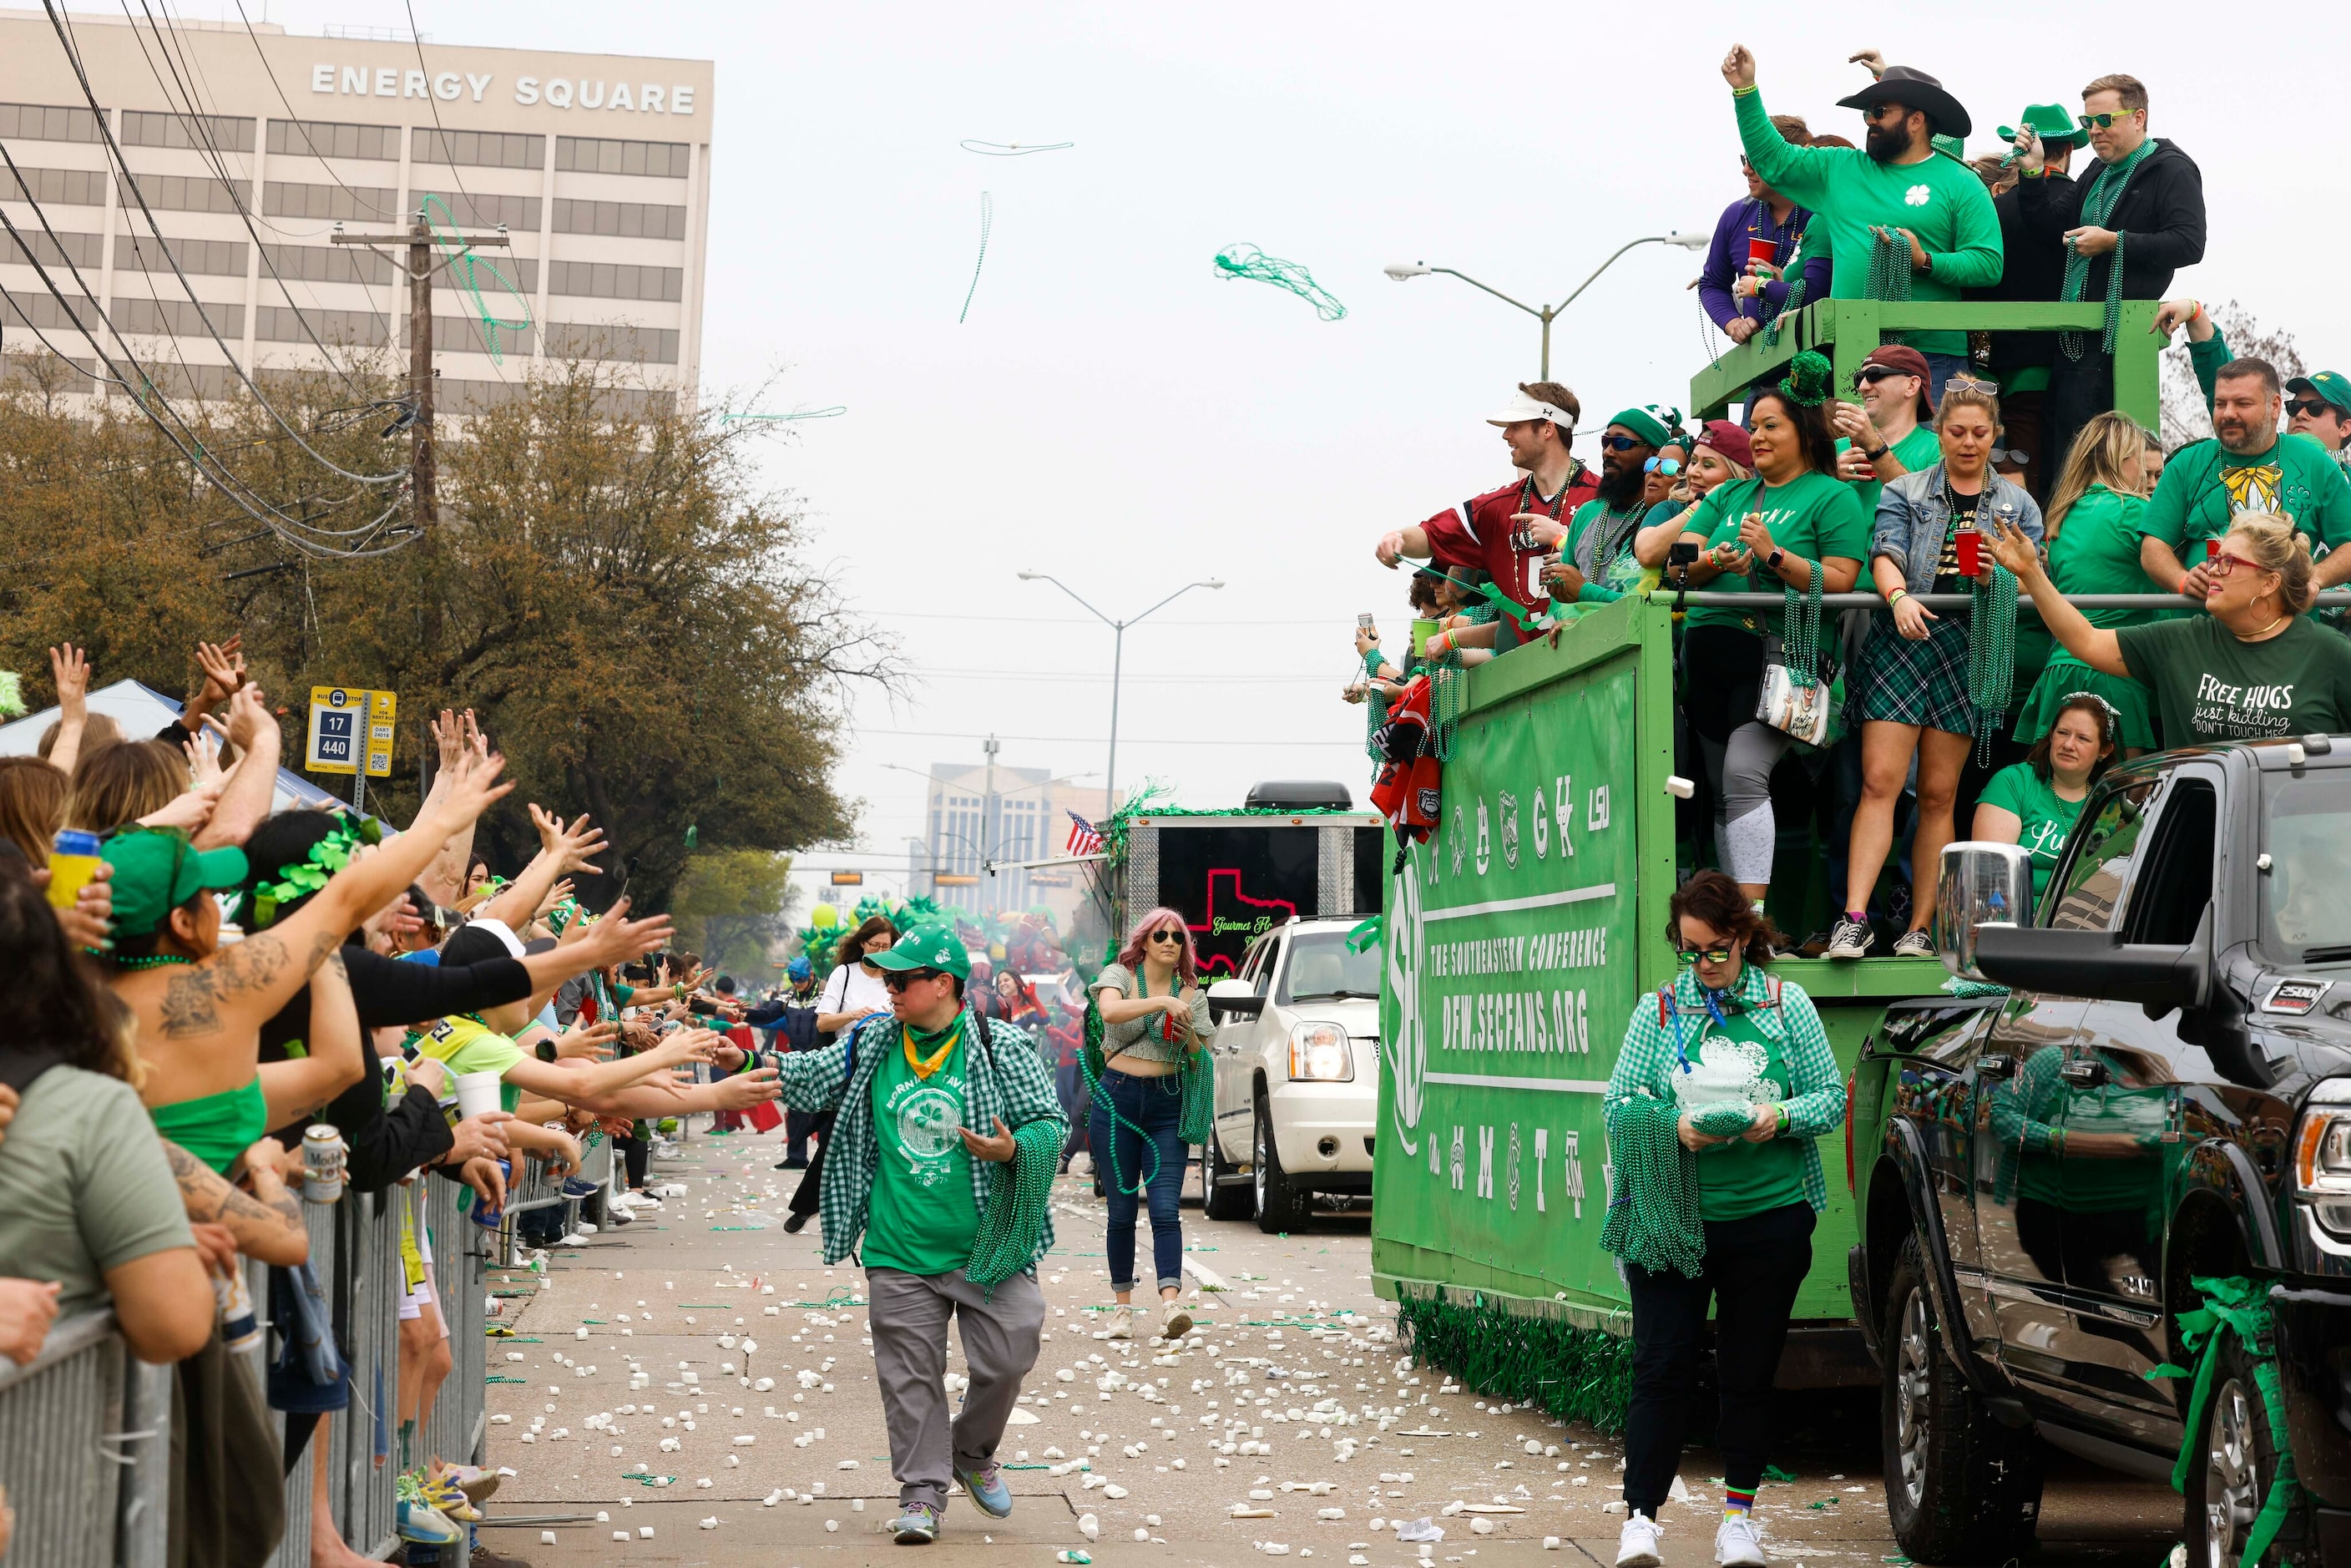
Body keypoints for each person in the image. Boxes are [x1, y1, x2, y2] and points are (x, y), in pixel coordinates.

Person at [766, 923, 1066, 1545]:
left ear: (943, 984)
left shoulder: (1001, 1045)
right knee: (909, 1379)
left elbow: (1051, 1125)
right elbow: (811, 1076)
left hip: (990, 1246)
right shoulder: (874, 1040)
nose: (890, 990)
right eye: (886, 978)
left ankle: (971, 1450)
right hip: (898, 1248)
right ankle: (922, 1492)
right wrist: (744, 1061)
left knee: (1011, 1353)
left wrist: (1015, 1149)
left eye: (902, 980)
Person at [1603, 873, 1844, 1568]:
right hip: (1671, 1223)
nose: (1700, 966)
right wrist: (1673, 1126)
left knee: (1749, 1373)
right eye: (1687, 951)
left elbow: (1830, 1097)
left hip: (1769, 1220)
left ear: (1743, 938)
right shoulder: (1659, 1013)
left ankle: (1738, 1519)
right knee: (1660, 1366)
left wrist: (1783, 1116)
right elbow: (1618, 1108)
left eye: (1712, 951)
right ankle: (1641, 1520)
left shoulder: (1785, 1004)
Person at [1833, 381, 2045, 959]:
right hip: (1906, 631)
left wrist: (1992, 577)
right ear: (1940, 433)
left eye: (1980, 433)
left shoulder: (2017, 504)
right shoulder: (1905, 488)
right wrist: (1898, 597)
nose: (1969, 443)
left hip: (1968, 643)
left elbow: (2032, 579)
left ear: (1995, 435)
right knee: (1879, 783)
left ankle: (1920, 929)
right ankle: (1854, 918)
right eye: (1957, 432)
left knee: (1937, 794)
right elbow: (1885, 551)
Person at [1666, 356, 1868, 902]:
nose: (1756, 436)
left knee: (1741, 773)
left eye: (1769, 426)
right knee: (1722, 789)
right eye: (1753, 426)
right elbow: (1679, 562)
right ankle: (1734, 914)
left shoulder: (1833, 495)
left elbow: (1845, 581)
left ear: (1803, 432)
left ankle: (1749, 919)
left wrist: (1771, 555)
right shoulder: (1731, 495)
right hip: (1711, 659)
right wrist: (1719, 560)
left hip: (1784, 661)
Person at [1722, 45, 2000, 402]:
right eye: (1867, 111)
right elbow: (1772, 160)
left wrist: (1924, 260)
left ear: (1917, 120)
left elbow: (1989, 264)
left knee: (1928, 458)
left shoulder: (1961, 183)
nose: (1869, 119)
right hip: (1855, 352)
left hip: (1933, 355)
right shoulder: (1839, 168)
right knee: (1854, 457)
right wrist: (1745, 90)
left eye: (1880, 111)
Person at [1990, 511, 2351, 749]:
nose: (2212, 570)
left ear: (2269, 582)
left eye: (2228, 563)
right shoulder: (2182, 639)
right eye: (2214, 559)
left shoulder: (2328, 652)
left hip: (2300, 839)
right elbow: (2086, 640)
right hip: (2203, 830)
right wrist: (2032, 574)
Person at [2011, 75, 2207, 499]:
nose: (2094, 130)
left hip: (2120, 340)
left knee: (2111, 465)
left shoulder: (2171, 168)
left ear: (2139, 118)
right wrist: (2030, 176)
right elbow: (2051, 227)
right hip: (2077, 339)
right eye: (2088, 120)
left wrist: (2114, 242)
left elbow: (2190, 243)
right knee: (2065, 461)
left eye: (2104, 119)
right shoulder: (2099, 168)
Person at [1374, 384, 1600, 646]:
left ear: (1548, 428)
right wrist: (1398, 538)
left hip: (1589, 657)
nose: (1506, 435)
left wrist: (1563, 537)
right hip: (1522, 672)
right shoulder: (1497, 505)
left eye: (1517, 426)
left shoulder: (1601, 498)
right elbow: (1430, 535)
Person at [1089, 908, 1212, 1343]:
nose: (1169, 942)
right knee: (1121, 1212)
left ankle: (1171, 1305)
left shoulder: (1193, 993)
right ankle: (1122, 1309)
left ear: (1184, 947)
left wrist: (1188, 1036)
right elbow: (1109, 1012)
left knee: (1165, 1209)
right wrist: (1161, 1002)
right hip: (1116, 1099)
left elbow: (1201, 1056)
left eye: (1177, 937)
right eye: (1160, 935)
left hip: (1167, 1103)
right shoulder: (1119, 975)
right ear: (1144, 940)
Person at [2010, 411, 2166, 755]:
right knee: (2123, 799)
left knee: (2058, 796)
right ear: (2122, 459)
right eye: (2141, 461)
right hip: (2115, 666)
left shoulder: (2063, 514)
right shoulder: (2135, 510)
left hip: (2061, 667)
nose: (2147, 474)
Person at [1962, 104, 2088, 500]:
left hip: (2002, 364)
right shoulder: (2088, 207)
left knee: (2015, 469)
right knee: (2068, 467)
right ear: (2069, 150)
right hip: (2076, 361)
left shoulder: (1992, 212)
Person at [2140, 357, 2351, 594]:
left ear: (2274, 406)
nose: (2228, 413)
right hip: (2200, 624)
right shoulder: (2186, 463)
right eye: (2221, 404)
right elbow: (2153, 548)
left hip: (2289, 625)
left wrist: (2313, 577)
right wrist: (2182, 580)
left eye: (2242, 403)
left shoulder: (2316, 464)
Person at [782, 914, 900, 1205]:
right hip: (846, 1069)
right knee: (835, 1140)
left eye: (888, 946)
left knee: (884, 1142)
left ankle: (876, 1207)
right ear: (862, 943)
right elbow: (823, 1024)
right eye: (876, 945)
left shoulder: (896, 978)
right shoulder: (844, 975)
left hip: (888, 1069)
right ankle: (808, 1204)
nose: (882, 952)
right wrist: (854, 1015)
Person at [1698, 122, 1832, 346]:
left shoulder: (1822, 212)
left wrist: (1767, 285)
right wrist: (1733, 324)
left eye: (1756, 160)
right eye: (1745, 159)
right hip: (1760, 365)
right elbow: (1712, 283)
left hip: (1818, 353)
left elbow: (1820, 291)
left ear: (1789, 160)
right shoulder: (1736, 215)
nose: (1746, 169)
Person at [1974, 693, 2117, 901]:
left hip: (2083, 923)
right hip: (2016, 920)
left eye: (2083, 738)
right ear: (2051, 735)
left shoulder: (2110, 802)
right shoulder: (2013, 782)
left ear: (2103, 750)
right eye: (2063, 733)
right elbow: (1992, 881)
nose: (2069, 744)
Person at [1549, 407, 1681, 604]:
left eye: (1621, 443)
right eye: (1606, 442)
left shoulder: (1668, 519)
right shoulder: (1588, 512)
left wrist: (1585, 591)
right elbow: (1567, 597)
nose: (1608, 452)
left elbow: (1660, 605)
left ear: (1653, 454)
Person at [1829, 344, 1944, 512]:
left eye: (1874, 375)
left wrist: (1875, 447)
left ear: (1911, 385)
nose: (1862, 387)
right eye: (1859, 378)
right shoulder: (1835, 449)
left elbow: (1926, 512)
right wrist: (1828, 480)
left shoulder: (1938, 448)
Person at [2286, 370, 2351, 478]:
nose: (2300, 414)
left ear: (2344, 428)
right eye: (2295, 406)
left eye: (2315, 407)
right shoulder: (2255, 472)